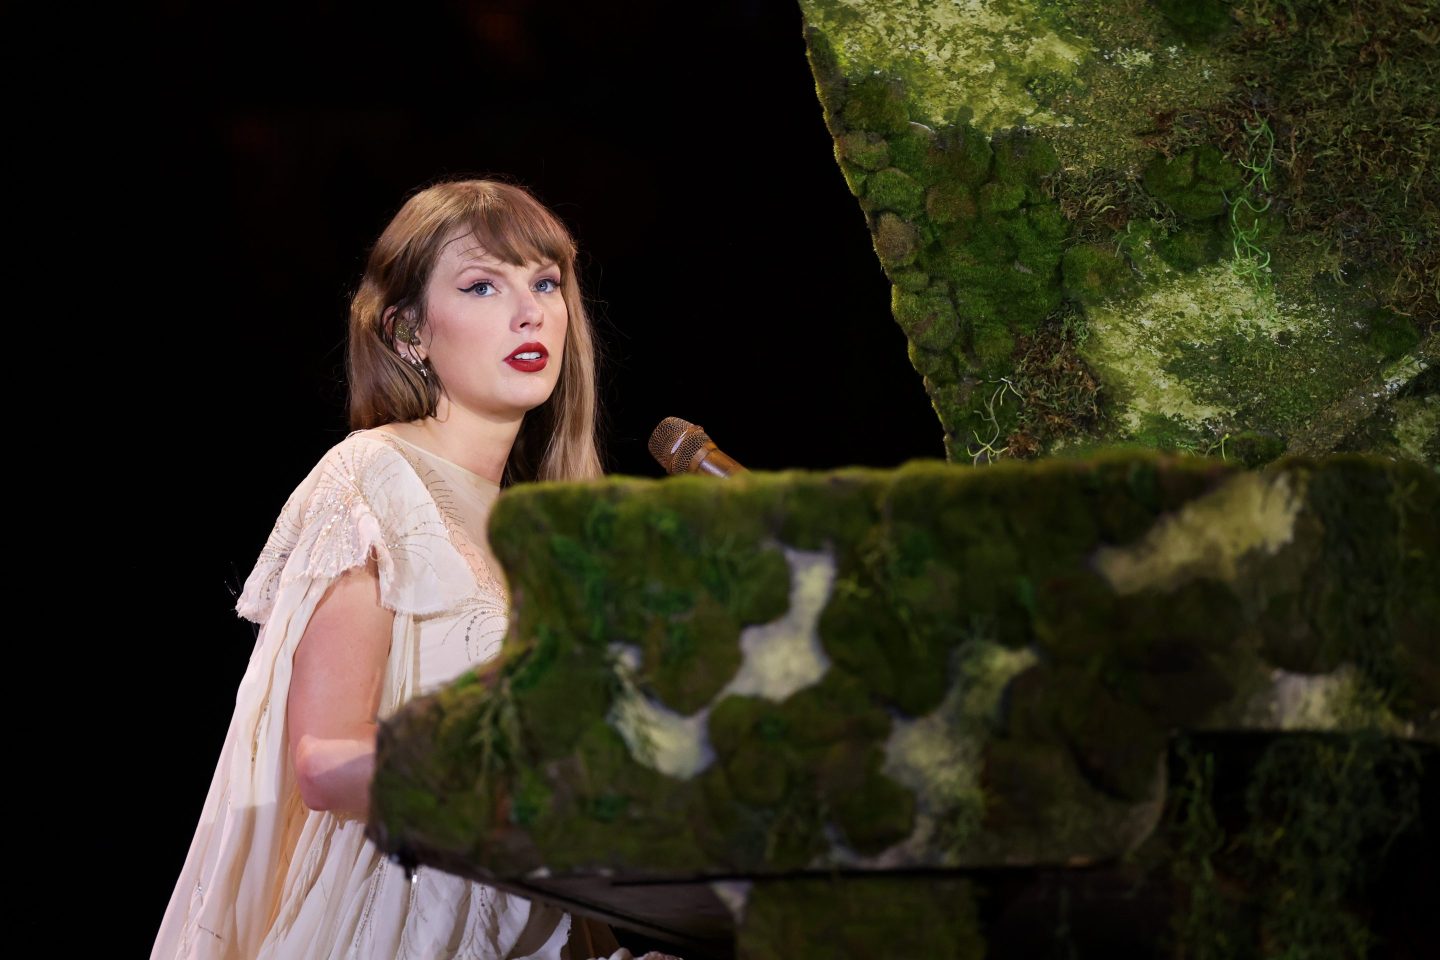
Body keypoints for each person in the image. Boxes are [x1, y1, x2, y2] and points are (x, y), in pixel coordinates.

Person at [151, 177, 641, 959]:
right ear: (409, 331)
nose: (530, 312)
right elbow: (327, 763)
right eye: (482, 285)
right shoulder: (373, 478)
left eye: (546, 283)